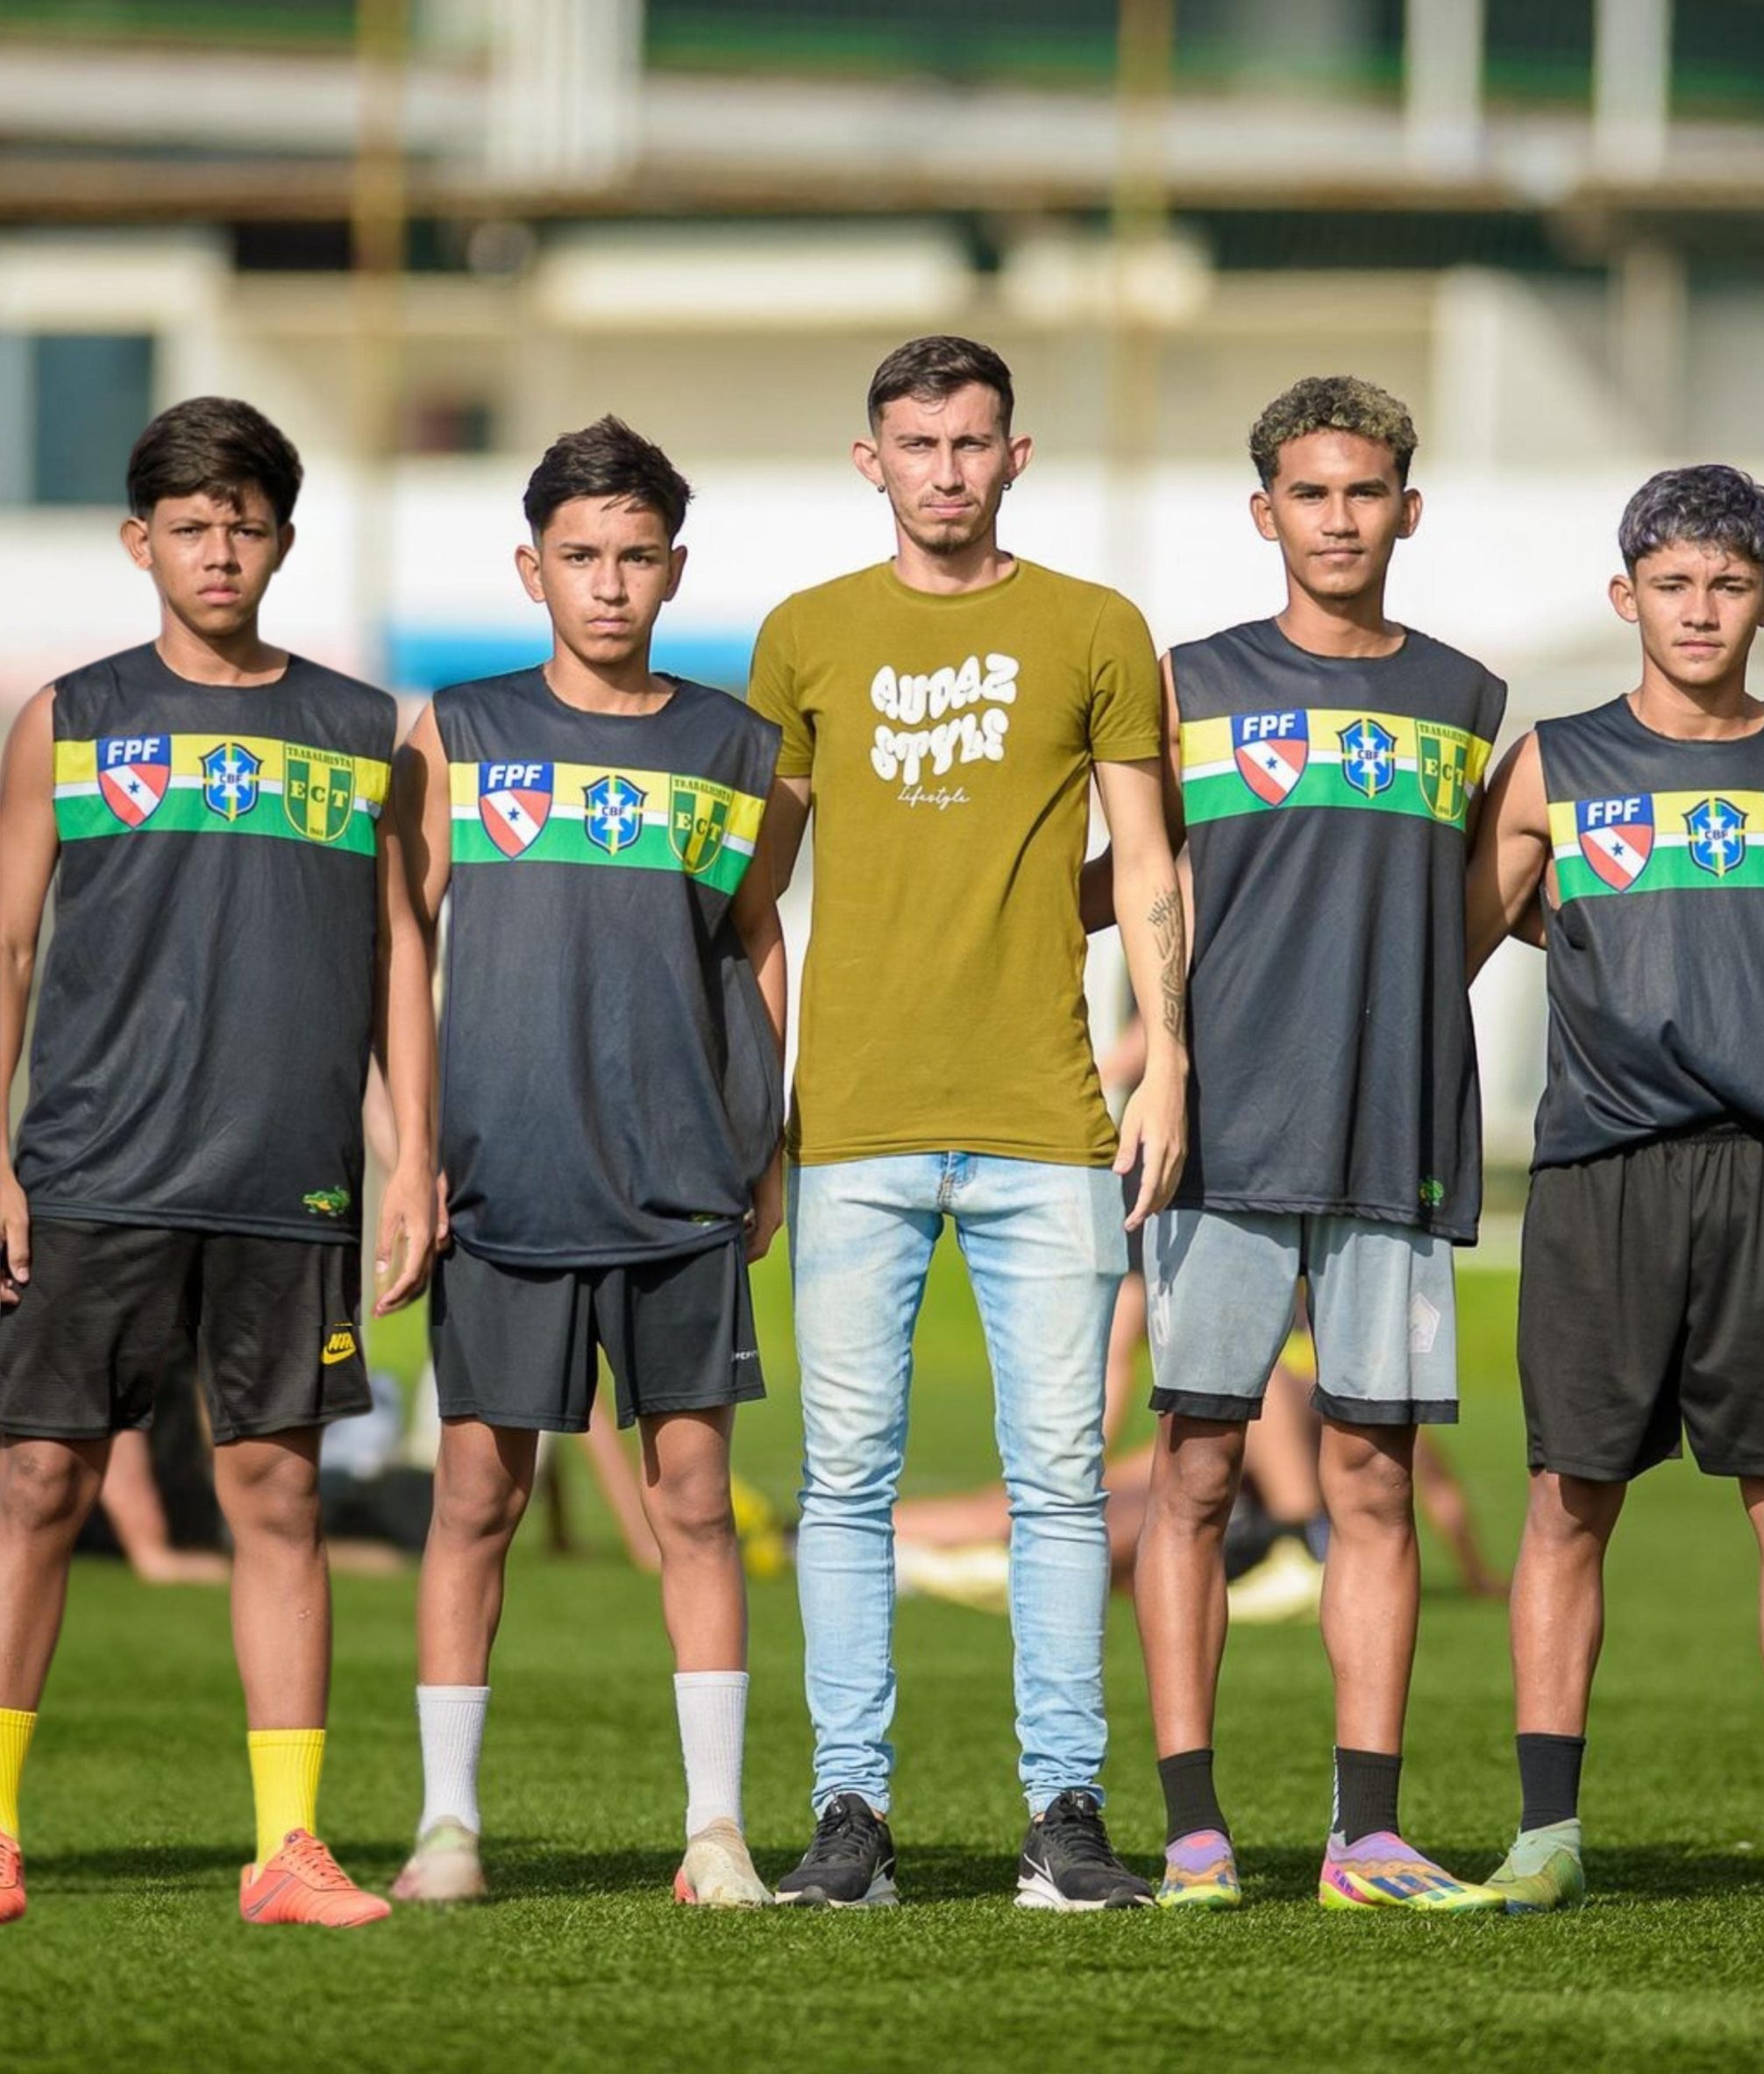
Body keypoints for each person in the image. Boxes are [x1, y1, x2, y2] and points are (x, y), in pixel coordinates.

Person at [750, 335, 1185, 1910]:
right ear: (871, 459)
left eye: (973, 440)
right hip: (853, 1122)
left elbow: (1148, 869)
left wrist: (1171, 1070)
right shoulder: (801, 637)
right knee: (845, 1480)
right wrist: (757, 1101)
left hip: (1049, 1119)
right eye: (918, 442)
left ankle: (1064, 1811)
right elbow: (752, 896)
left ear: (1017, 454)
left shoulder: (1095, 628)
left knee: (1063, 1482)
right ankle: (848, 1815)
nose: (947, 467)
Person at [1466, 465, 1764, 1922]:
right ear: (1628, 597)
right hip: (1602, 1178)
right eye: (1672, 583)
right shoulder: (1555, 763)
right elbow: (1451, 944)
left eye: (1729, 585)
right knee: (1566, 1502)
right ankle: (1546, 1833)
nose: (1700, 609)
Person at [0, 397, 430, 1928]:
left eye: (246, 521)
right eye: (191, 524)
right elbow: (8, 939)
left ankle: (288, 1849)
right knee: (41, 1479)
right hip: (92, 1171)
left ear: (283, 539)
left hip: (284, 1182)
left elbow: (397, 953)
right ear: (141, 543)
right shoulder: (70, 714)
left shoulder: (358, 727)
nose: (221, 547)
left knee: (277, 1497)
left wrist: (412, 1156)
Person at [387, 417, 787, 1910]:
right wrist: (408, 1149)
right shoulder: (458, 731)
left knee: (694, 1503)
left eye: (634, 557)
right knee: (475, 1502)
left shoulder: (735, 746)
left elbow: (753, 946)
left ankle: (716, 1831)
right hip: (500, 1184)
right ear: (530, 565)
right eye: (580, 556)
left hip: (681, 1183)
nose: (608, 584)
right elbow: (399, 947)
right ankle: (446, 1828)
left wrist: (767, 1143)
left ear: (674, 569)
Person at [1130, 375, 1508, 1913]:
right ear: (1264, 509)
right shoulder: (1185, 686)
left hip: (1395, 1135)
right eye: (1310, 492)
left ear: (1407, 508)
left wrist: (1390, 1010)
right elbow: (1127, 879)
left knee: (1372, 1477)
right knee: (1195, 1473)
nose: (1339, 518)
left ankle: (1366, 1836)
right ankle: (1194, 1831)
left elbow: (1477, 911)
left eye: (1366, 492)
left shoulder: (1469, 701)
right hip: (1219, 1139)